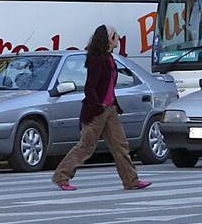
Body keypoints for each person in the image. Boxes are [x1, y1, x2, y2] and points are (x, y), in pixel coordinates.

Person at [52, 25, 152, 191]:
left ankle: (131, 180)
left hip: (110, 109)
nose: (118, 38)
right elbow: (90, 88)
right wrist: (98, 108)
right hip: (96, 111)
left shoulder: (110, 58)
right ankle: (61, 176)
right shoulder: (97, 60)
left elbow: (109, 87)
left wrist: (112, 105)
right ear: (109, 39)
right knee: (86, 146)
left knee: (120, 145)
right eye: (116, 35)